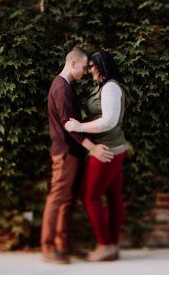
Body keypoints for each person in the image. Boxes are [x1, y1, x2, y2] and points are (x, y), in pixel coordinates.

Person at [42, 46, 115, 265]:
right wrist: (92, 148)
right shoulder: (61, 89)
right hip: (64, 153)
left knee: (67, 200)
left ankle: (63, 245)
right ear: (72, 63)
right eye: (84, 67)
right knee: (57, 198)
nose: (85, 72)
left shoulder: (67, 86)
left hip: (72, 153)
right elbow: (69, 126)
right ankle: (48, 246)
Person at [65, 49, 130, 263]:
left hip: (105, 150)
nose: (89, 69)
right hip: (114, 148)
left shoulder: (110, 87)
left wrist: (80, 126)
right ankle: (112, 244)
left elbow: (109, 121)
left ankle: (104, 245)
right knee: (113, 197)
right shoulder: (105, 86)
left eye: (92, 65)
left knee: (89, 196)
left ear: (101, 66)